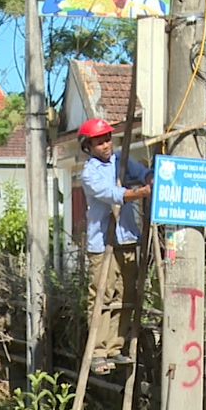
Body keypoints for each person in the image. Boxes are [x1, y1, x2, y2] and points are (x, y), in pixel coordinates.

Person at [78, 117, 151, 375]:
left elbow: (141, 173)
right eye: (99, 142)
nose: (106, 145)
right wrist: (139, 193)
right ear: (89, 145)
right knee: (102, 294)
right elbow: (113, 195)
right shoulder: (89, 173)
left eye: (107, 139)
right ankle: (98, 351)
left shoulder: (121, 160)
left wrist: (150, 177)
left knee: (126, 294)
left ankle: (116, 347)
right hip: (102, 243)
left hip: (127, 238)